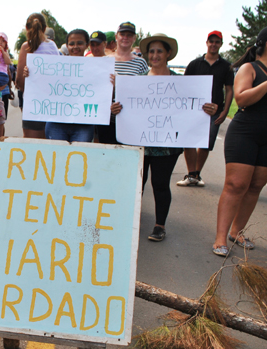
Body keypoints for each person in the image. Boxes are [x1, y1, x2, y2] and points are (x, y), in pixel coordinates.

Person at [112, 33, 216, 242]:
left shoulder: (182, 83)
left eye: (159, 51)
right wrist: (115, 109)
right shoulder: (136, 83)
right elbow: (124, 109)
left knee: (160, 184)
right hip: (139, 142)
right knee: (136, 184)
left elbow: (194, 108)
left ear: (168, 54)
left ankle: (160, 225)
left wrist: (209, 109)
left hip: (167, 145)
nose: (155, 55)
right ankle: (131, 220)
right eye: (151, 51)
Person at [212, 28, 267, 256]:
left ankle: (237, 232)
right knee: (236, 185)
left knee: (255, 185)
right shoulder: (250, 68)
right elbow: (242, 97)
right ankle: (220, 238)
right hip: (245, 132)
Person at [178, 30, 235, 187]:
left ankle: (197, 174)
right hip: (193, 110)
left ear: (221, 44)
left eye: (217, 42)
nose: (213, 44)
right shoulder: (195, 64)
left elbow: (229, 89)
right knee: (188, 141)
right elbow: (184, 86)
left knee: (205, 144)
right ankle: (190, 174)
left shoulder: (226, 66)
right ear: (207, 43)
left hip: (214, 112)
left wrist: (224, 111)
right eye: (211, 41)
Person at [99, 22, 149, 144]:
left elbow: (144, 90)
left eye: (129, 35)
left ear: (134, 38)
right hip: (107, 119)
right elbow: (98, 90)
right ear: (116, 37)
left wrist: (120, 84)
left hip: (131, 121)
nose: (125, 38)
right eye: (122, 34)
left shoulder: (140, 63)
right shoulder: (104, 61)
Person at [45, 29, 95, 143]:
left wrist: (109, 82)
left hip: (83, 124)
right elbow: (42, 83)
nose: (75, 47)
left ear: (87, 45)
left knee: (80, 158)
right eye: (71, 44)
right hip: (56, 123)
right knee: (57, 158)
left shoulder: (96, 68)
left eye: (80, 43)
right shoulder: (55, 66)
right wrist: (31, 73)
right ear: (67, 45)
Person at [16, 13, 60, 138]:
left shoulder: (26, 47)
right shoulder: (52, 46)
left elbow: (20, 81)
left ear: (26, 27)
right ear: (45, 28)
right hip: (52, 104)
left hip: (33, 105)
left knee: (32, 146)